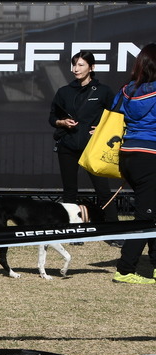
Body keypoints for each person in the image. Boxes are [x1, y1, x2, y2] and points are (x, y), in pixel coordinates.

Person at [48, 51, 119, 229]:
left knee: (103, 190)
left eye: (80, 65)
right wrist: (61, 122)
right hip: (67, 146)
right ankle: (71, 229)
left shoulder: (104, 91)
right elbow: (52, 118)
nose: (75, 69)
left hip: (93, 148)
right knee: (70, 191)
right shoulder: (63, 92)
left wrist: (102, 129)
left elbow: (116, 116)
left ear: (91, 67)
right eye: (74, 65)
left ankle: (113, 229)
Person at [111, 43, 156, 285]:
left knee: (151, 212)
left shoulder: (127, 90)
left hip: (128, 154)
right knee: (145, 217)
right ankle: (125, 269)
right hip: (150, 155)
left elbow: (113, 112)